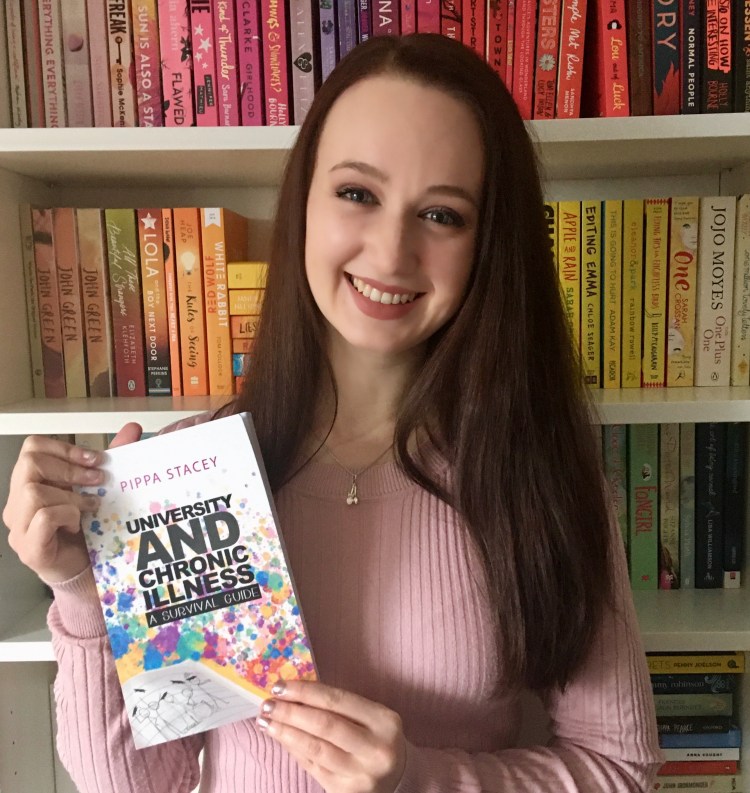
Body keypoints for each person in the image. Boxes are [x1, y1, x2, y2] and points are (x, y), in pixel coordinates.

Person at [3, 33, 662, 793]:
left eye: (442, 214)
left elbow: (623, 771)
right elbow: (138, 785)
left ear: (489, 246)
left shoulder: (537, 481)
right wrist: (83, 593)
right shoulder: (186, 479)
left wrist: (424, 780)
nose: (390, 251)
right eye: (358, 193)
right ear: (304, 201)